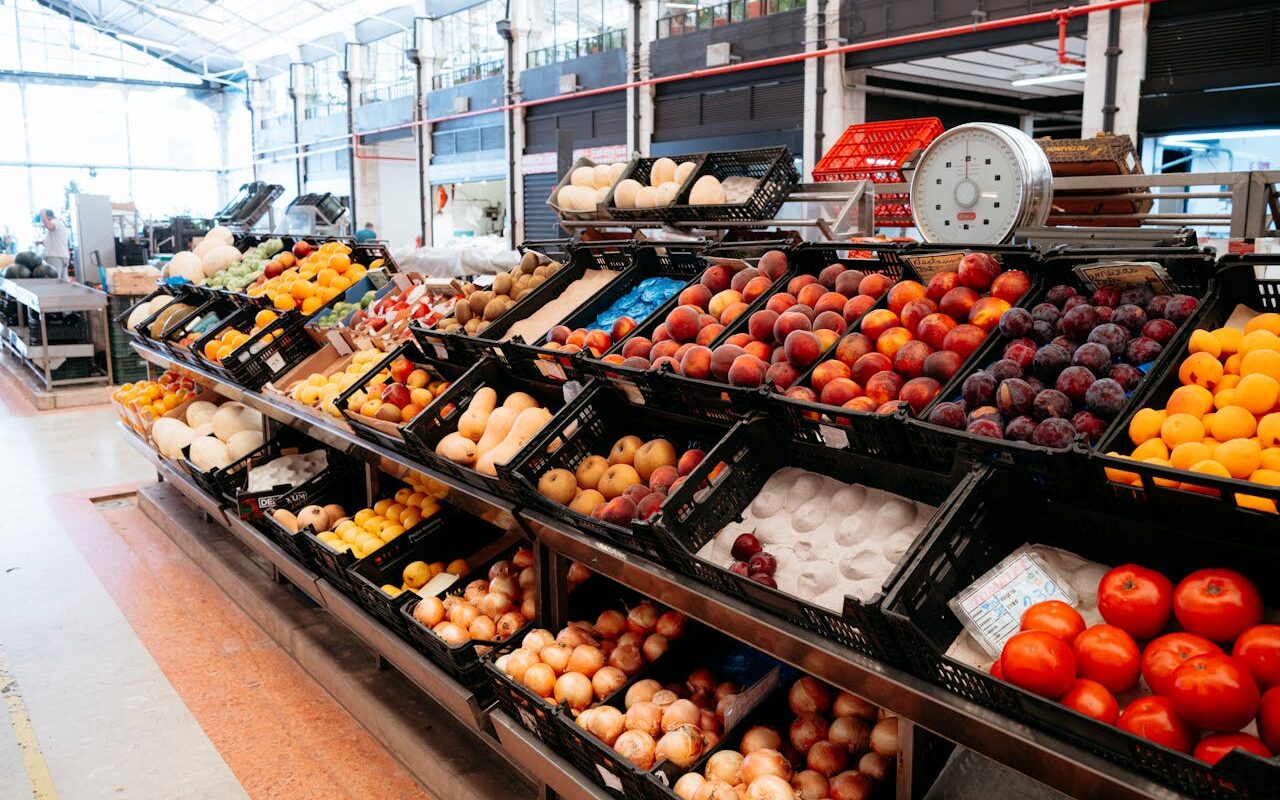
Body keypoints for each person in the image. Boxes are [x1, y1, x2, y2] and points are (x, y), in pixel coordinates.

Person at [38, 209, 69, 280]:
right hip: (60, 255)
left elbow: (50, 227)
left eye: (43, 219)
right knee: (64, 280)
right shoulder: (58, 224)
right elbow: (51, 240)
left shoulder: (55, 222)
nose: (43, 222)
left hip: (55, 256)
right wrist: (39, 242)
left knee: (55, 279)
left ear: (48, 217)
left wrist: (43, 214)